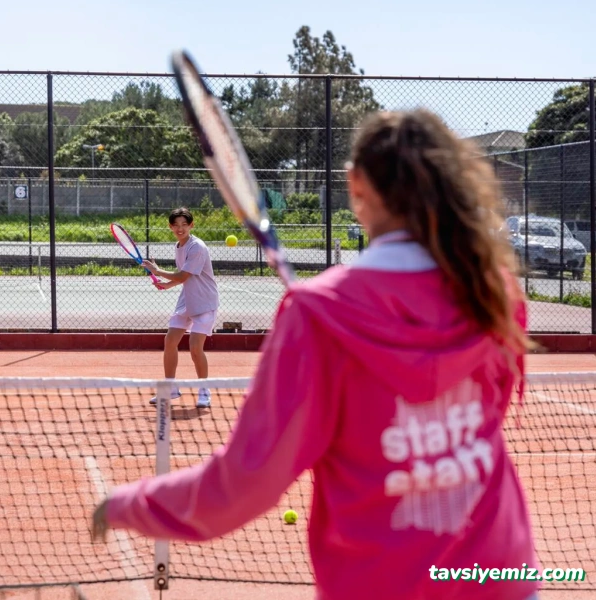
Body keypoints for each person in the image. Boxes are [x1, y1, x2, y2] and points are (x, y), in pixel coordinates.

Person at [92, 110, 539, 600]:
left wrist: (127, 504)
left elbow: (240, 487)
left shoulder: (315, 317)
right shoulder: (495, 290)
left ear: (355, 185)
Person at [141, 206, 219, 408]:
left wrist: (158, 271)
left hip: (205, 302)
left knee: (195, 348)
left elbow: (183, 275)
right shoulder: (179, 246)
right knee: (170, 342)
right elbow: (184, 277)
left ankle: (204, 391)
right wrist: (168, 284)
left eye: (184, 224)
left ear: (191, 225)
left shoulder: (197, 247)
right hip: (187, 300)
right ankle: (170, 389)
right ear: (170, 227)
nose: (180, 228)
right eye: (176, 225)